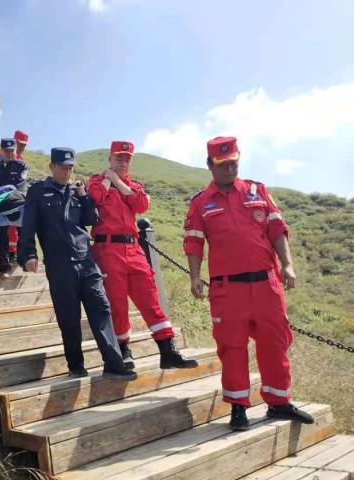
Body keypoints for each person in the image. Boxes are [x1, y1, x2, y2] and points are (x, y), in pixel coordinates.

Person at [183, 136, 315, 431]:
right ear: (209, 165)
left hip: (266, 284)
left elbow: (277, 230)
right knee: (232, 346)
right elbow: (193, 242)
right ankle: (239, 407)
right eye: (223, 165)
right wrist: (194, 276)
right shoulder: (201, 203)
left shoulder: (258, 191)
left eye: (233, 164)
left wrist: (287, 264)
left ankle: (279, 403)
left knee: (276, 342)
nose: (230, 170)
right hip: (227, 289)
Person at [18, 147, 137, 381]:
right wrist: (28, 254)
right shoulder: (38, 192)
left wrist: (84, 197)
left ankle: (113, 364)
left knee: (102, 309)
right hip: (59, 263)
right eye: (62, 167)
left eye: (70, 167)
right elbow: (28, 225)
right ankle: (76, 365)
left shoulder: (76, 190)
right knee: (68, 317)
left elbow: (90, 220)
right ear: (52, 166)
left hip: (86, 260)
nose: (67, 171)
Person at [88, 141, 199, 370]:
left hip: (133, 249)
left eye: (128, 158)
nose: (124, 161)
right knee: (117, 303)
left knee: (150, 298)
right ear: (110, 158)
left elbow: (141, 204)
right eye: (119, 157)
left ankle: (167, 350)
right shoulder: (97, 181)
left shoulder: (134, 185)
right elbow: (96, 198)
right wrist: (109, 179)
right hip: (108, 249)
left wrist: (117, 181)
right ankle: (123, 351)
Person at [0, 138, 28, 278]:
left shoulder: (21, 166)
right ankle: (4, 266)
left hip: (17, 205)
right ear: (1, 151)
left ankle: (23, 260)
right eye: (6, 151)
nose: (9, 154)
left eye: (12, 151)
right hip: (0, 206)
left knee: (23, 233)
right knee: (1, 235)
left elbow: (21, 186)